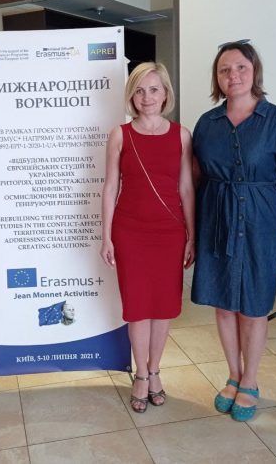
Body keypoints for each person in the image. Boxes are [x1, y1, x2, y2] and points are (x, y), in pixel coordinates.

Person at [192, 40, 276, 422]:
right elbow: (194, 181)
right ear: (217, 77)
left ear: (254, 71)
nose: (233, 75)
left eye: (241, 67)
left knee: (254, 306)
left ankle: (251, 381)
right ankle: (233, 375)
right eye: (225, 69)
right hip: (216, 221)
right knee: (224, 304)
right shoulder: (206, 124)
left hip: (262, 224)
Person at [101, 62, 195, 413]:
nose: (147, 97)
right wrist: (106, 236)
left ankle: (155, 370)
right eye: (139, 90)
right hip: (129, 231)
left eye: (154, 89)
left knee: (164, 306)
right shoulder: (120, 135)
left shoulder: (182, 135)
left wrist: (192, 235)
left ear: (166, 93)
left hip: (170, 232)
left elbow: (186, 188)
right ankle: (141, 374)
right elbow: (110, 187)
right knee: (138, 307)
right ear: (132, 96)